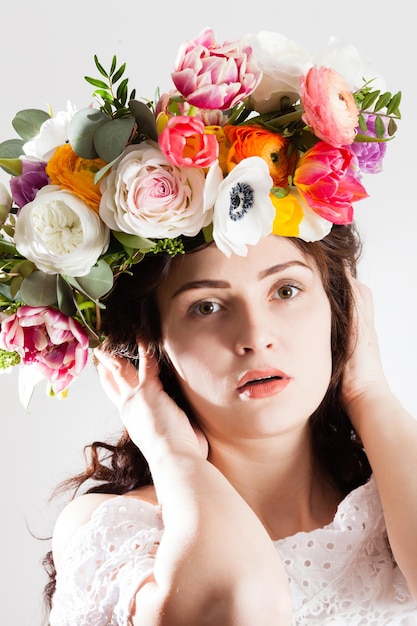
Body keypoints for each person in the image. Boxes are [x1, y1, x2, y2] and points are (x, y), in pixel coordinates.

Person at [0, 27, 415, 625]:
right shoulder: (117, 532)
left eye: (287, 289)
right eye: (206, 306)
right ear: (151, 346)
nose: (256, 335)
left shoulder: (396, 493)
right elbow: (241, 604)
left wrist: (369, 392)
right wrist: (174, 458)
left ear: (340, 309)